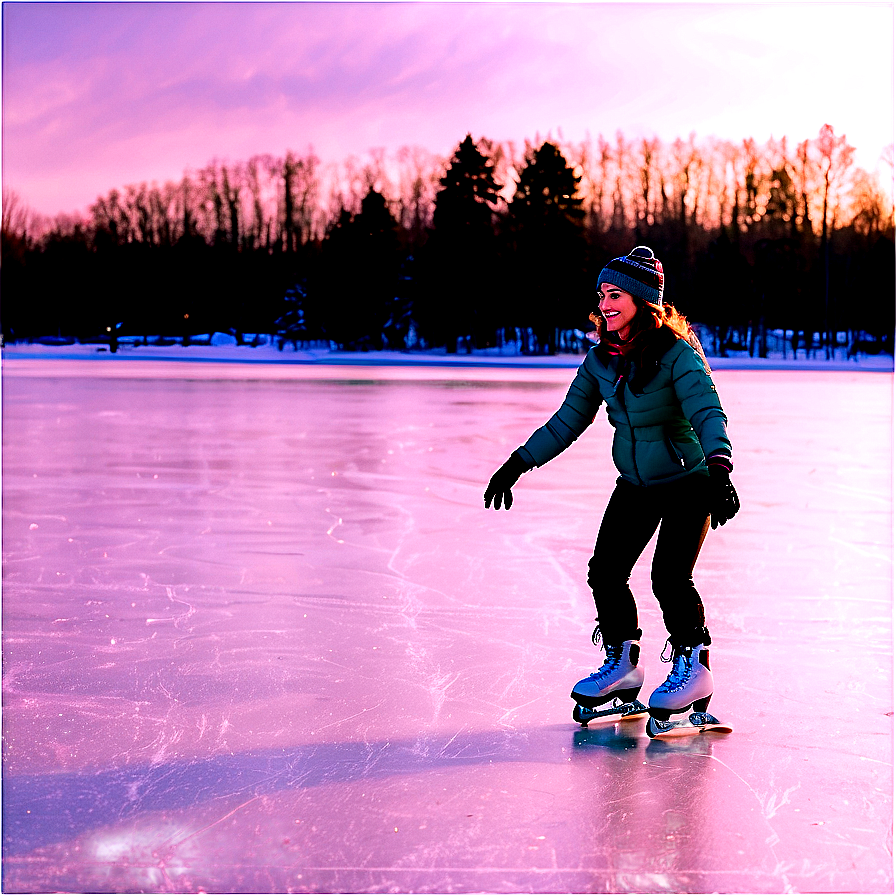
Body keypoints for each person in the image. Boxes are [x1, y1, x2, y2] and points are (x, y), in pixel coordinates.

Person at [484, 246, 740, 724]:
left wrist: (720, 469)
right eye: (602, 294)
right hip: (637, 484)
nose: (605, 304)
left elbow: (708, 410)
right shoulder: (601, 359)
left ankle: (695, 665)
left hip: (689, 481)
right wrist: (517, 464)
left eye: (615, 294)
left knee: (668, 577)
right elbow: (566, 422)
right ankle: (623, 666)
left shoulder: (675, 354)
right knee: (605, 571)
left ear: (644, 301)